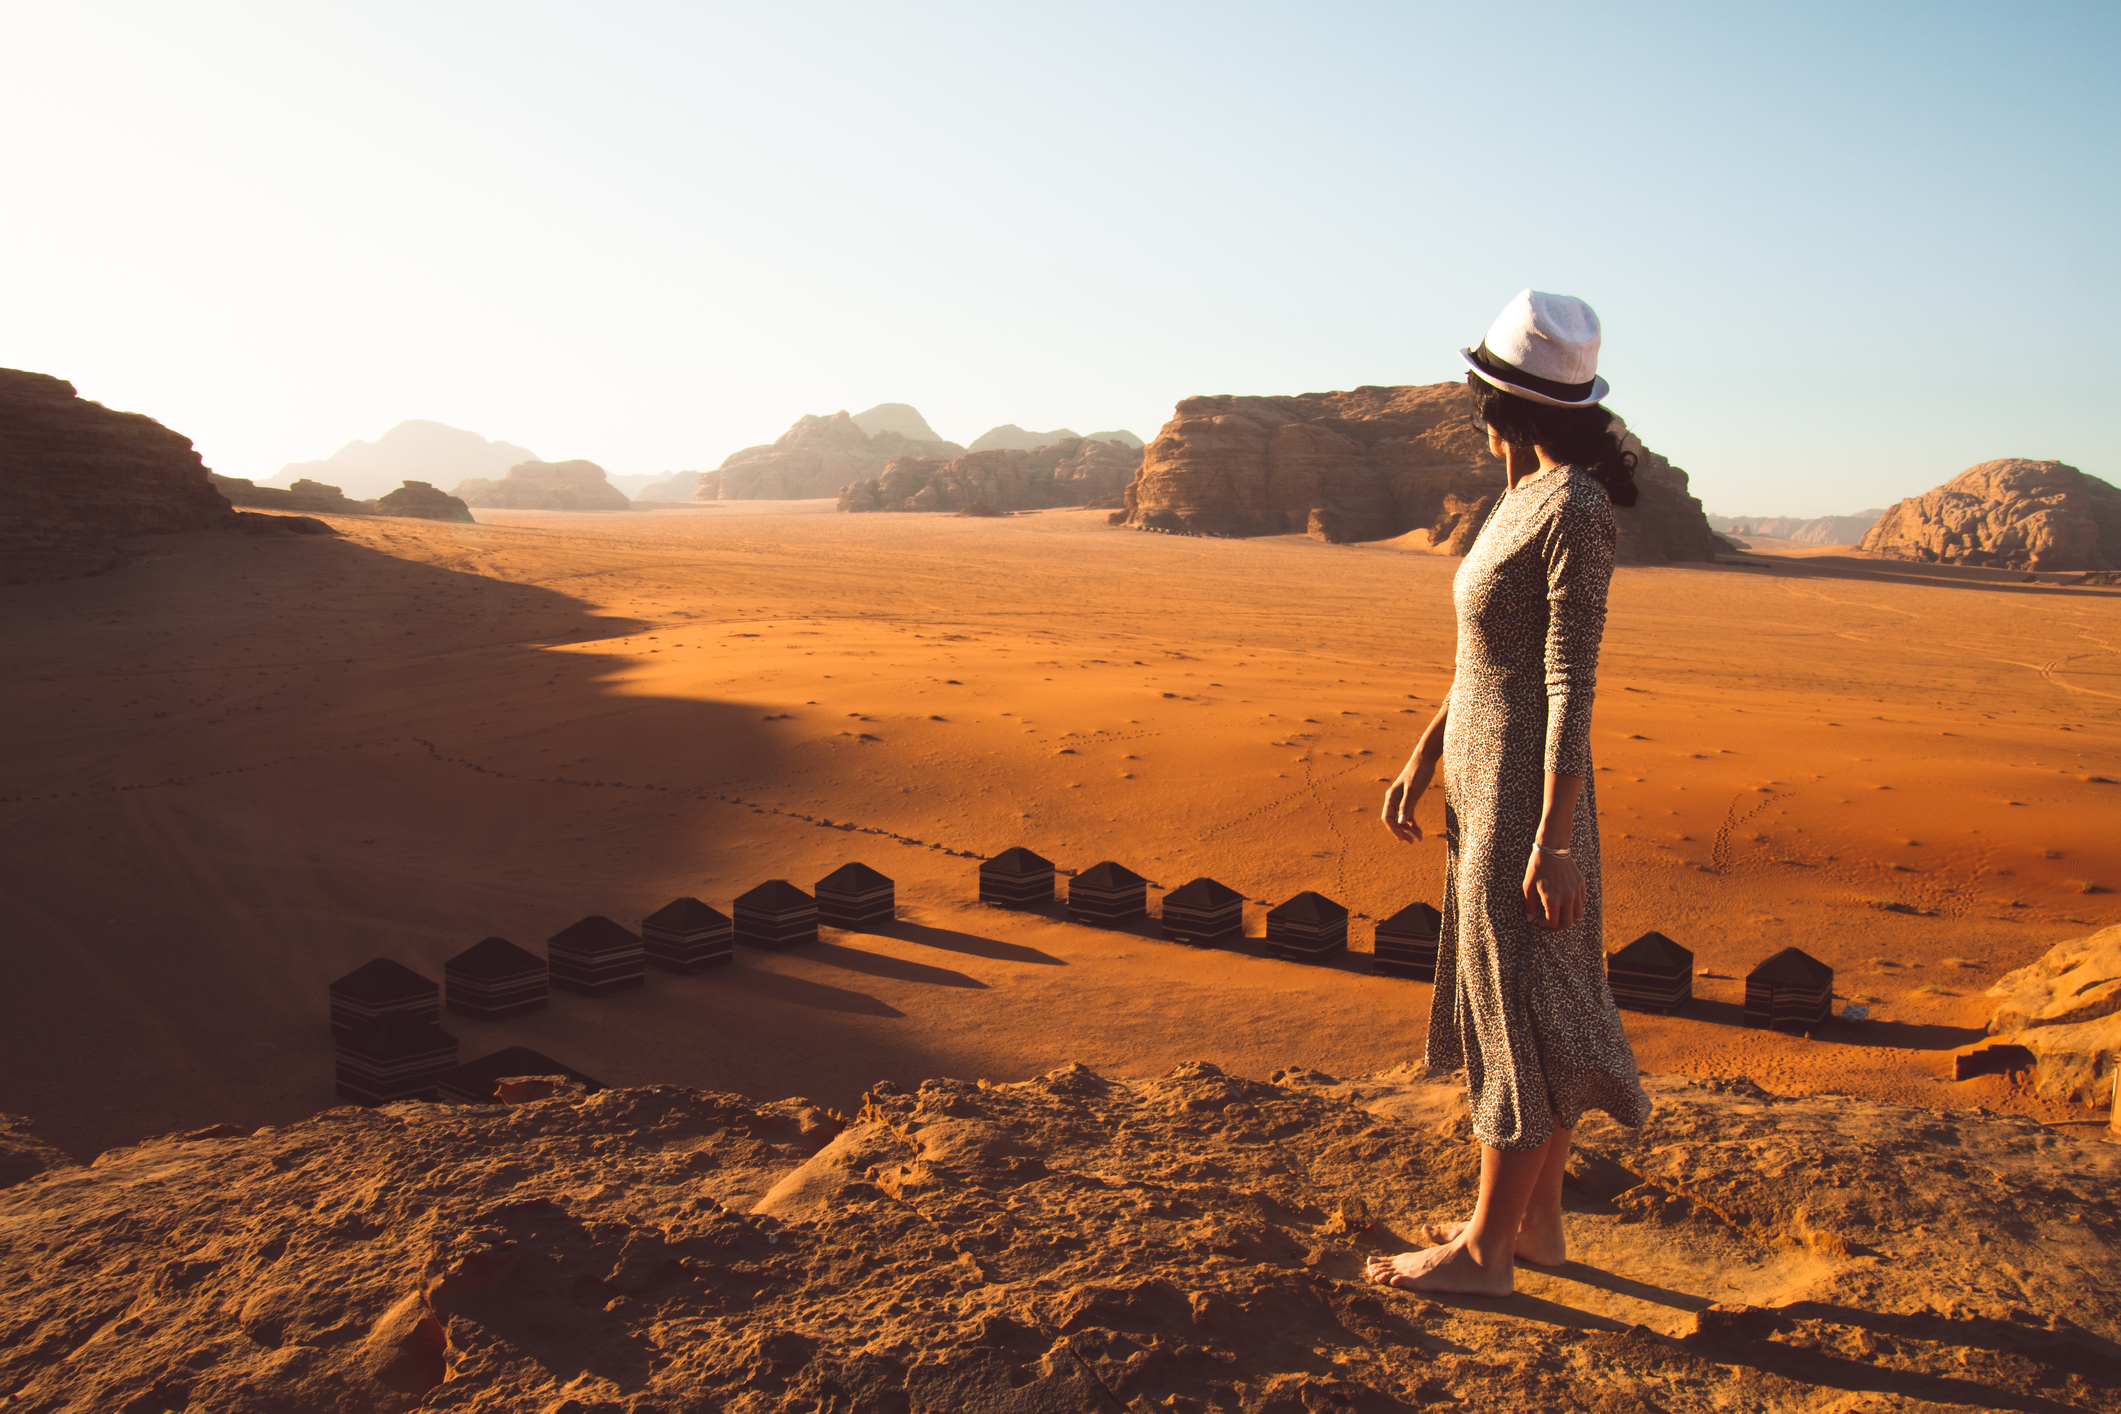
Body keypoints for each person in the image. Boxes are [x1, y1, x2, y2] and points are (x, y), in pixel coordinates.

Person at [1365, 290, 1652, 1296]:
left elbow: (1571, 678)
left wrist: (1557, 839)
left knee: (1523, 1007)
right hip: (1484, 786)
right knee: (1531, 1002)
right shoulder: (1518, 498)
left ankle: (1485, 1255)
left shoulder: (1573, 507)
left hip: (1531, 806)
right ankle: (1537, 1230)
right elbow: (1481, 658)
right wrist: (1423, 752)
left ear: (1500, 399)